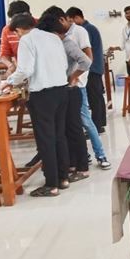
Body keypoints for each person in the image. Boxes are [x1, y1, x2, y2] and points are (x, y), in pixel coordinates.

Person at [2, 14, 70, 197]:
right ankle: (63, 178)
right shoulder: (53, 37)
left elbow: (25, 70)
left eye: (15, 33)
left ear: (20, 29)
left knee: (46, 139)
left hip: (43, 95)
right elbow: (64, 64)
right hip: (61, 90)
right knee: (59, 135)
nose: (16, 37)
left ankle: (51, 184)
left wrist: (8, 81)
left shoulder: (27, 40)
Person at [44, 6, 111, 170]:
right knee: (71, 125)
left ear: (64, 19)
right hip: (63, 86)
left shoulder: (79, 32)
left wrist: (75, 76)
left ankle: (101, 155)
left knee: (86, 121)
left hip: (78, 84)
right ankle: (81, 156)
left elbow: (88, 57)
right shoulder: (58, 36)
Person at [37, 13, 91, 183]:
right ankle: (72, 164)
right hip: (62, 91)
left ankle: (83, 167)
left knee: (74, 129)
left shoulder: (66, 42)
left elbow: (86, 61)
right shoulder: (56, 42)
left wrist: (73, 77)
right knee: (65, 131)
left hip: (70, 90)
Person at [65, 7, 107, 132]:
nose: (70, 25)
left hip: (91, 68)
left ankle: (96, 126)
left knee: (94, 98)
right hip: (95, 67)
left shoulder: (85, 29)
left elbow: (85, 52)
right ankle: (100, 124)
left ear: (77, 18)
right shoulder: (90, 28)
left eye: (71, 21)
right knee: (97, 97)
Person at [0, 0, 33, 75]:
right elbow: (4, 54)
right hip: (22, 71)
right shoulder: (7, 30)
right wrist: (10, 66)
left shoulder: (39, 26)